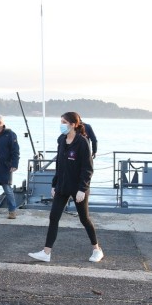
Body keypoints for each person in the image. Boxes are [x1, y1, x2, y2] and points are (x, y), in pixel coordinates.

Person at [28, 111, 103, 264]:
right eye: (60, 121)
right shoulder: (61, 140)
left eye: (64, 122)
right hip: (62, 186)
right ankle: (46, 252)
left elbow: (87, 168)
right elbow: (59, 165)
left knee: (84, 219)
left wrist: (83, 188)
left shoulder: (82, 142)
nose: (61, 125)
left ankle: (97, 249)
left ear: (73, 124)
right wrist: (54, 184)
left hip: (78, 188)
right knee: (53, 217)